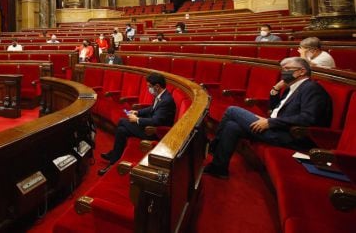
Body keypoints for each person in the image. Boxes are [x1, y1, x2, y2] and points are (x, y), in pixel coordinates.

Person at [204, 57, 332, 180]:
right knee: (232, 126)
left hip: (291, 136)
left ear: (301, 71)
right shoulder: (292, 88)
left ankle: (213, 147)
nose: (283, 72)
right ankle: (219, 168)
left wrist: (271, 122)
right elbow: (275, 109)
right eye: (282, 69)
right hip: (277, 127)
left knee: (232, 110)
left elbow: (308, 118)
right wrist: (275, 90)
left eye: (287, 68)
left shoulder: (311, 88)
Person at [99, 73, 176, 175]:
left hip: (154, 133)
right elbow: (152, 109)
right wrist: (138, 112)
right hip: (149, 127)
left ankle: (114, 156)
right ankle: (114, 160)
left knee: (122, 121)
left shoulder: (166, 100)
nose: (148, 89)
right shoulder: (160, 95)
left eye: (149, 86)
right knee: (121, 131)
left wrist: (137, 119)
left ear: (157, 86)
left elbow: (156, 121)